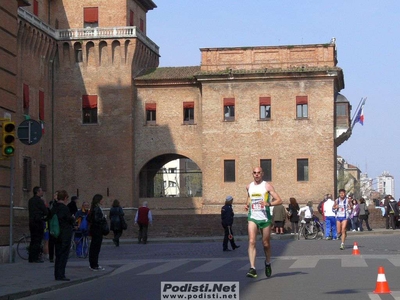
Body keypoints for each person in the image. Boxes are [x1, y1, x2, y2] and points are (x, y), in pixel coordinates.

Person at [245, 166, 283, 279]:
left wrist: (269, 204)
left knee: (265, 244)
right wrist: (247, 204)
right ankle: (252, 268)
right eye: (254, 173)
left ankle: (267, 262)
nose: (256, 174)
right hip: (253, 217)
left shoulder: (267, 186)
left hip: (265, 218)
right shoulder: (249, 186)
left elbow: (279, 200)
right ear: (252, 174)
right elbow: (249, 197)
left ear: (262, 174)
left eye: (258, 173)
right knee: (252, 241)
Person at [52, 190, 74, 281]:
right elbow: (69, 219)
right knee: (63, 255)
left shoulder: (54, 207)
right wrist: (72, 218)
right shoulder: (64, 208)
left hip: (56, 234)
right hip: (64, 234)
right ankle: (61, 274)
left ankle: (57, 274)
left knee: (58, 254)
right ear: (65, 198)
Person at [28, 186, 48, 263]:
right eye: (41, 191)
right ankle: (35, 258)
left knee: (33, 240)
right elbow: (45, 211)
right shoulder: (39, 201)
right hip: (38, 222)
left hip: (31, 222)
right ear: (37, 192)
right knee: (38, 240)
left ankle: (31, 257)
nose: (42, 192)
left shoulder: (30, 200)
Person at [89, 194, 107, 271]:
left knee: (94, 248)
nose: (103, 201)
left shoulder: (94, 208)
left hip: (95, 230)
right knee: (95, 248)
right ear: (99, 200)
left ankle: (94, 264)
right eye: (102, 199)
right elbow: (96, 219)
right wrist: (103, 218)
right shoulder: (97, 209)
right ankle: (94, 265)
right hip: (97, 230)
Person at [47, 191, 58, 263]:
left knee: (56, 242)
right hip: (53, 225)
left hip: (56, 225)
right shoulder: (52, 204)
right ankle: (51, 257)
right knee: (52, 241)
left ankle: (56, 256)